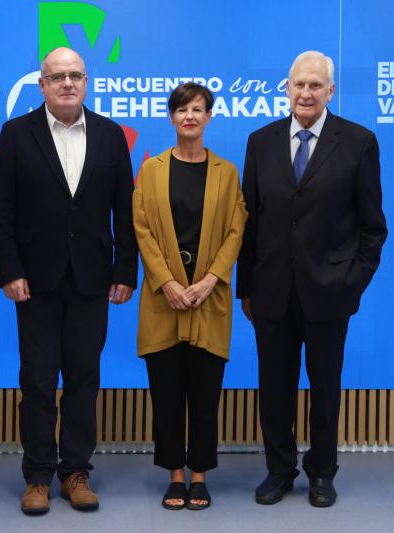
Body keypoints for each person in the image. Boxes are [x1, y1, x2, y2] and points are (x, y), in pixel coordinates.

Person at [0, 47, 137, 515]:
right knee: (37, 380)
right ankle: (37, 475)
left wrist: (125, 269)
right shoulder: (16, 134)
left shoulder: (111, 135)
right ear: (42, 85)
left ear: (86, 82)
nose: (67, 83)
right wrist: (10, 270)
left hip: (92, 279)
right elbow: (0, 208)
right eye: (57, 77)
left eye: (75, 75)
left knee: (84, 379)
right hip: (34, 282)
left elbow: (125, 209)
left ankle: (75, 472)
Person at [236, 51, 388, 508]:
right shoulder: (260, 142)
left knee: (325, 389)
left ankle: (322, 472)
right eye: (299, 84)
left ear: (330, 91)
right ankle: (279, 470)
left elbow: (373, 227)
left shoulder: (359, 142)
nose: (306, 93)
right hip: (271, 291)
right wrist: (246, 288)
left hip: (330, 291)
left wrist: (352, 282)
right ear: (286, 88)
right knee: (274, 389)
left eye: (315, 85)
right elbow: (249, 221)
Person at [132, 83, 247, 511]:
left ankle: (199, 475)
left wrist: (210, 280)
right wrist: (167, 282)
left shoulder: (226, 172)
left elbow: (236, 230)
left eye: (198, 109)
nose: (189, 117)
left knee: (204, 397)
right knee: (166, 397)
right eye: (182, 110)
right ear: (171, 117)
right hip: (163, 300)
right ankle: (174, 476)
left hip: (208, 300)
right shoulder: (152, 170)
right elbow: (141, 229)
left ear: (209, 117)